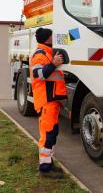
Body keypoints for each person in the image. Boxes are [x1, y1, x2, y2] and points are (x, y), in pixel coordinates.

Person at [30, 28, 67, 178]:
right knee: (47, 135)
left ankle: (48, 163)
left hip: (51, 100)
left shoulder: (49, 52)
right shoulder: (40, 54)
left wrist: (77, 32)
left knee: (52, 133)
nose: (55, 37)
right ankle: (44, 169)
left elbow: (69, 38)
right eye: (53, 35)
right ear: (48, 38)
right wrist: (53, 63)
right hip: (46, 101)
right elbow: (37, 74)